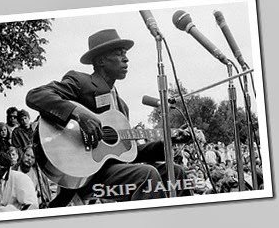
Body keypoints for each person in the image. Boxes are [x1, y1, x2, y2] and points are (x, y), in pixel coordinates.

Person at [26, 29, 192, 207]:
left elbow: (128, 154)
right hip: (85, 174)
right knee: (146, 175)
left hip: (113, 172)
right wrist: (79, 114)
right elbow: (36, 95)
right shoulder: (81, 81)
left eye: (125, 54)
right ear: (101, 60)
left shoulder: (122, 107)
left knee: (176, 172)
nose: (126, 59)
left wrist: (169, 139)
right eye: (119, 54)